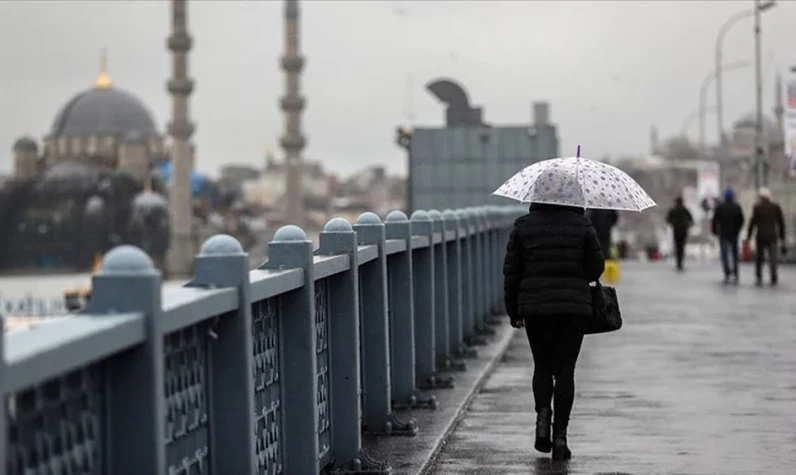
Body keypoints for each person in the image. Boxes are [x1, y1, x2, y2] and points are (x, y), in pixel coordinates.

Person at [503, 203, 605, 461]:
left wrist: (513, 311)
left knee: (542, 366)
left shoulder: (523, 226)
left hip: (536, 308)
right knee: (565, 370)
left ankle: (541, 422)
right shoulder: (582, 225)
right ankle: (560, 438)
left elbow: (512, 272)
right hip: (574, 308)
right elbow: (596, 268)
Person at [746, 187, 786, 286]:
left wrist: (749, 236)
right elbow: (781, 223)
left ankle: (759, 275)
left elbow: (753, 222)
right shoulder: (775, 207)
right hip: (772, 235)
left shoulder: (757, 207)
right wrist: (782, 237)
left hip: (761, 236)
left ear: (761, 197)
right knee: (773, 257)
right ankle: (773, 275)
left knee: (760, 257)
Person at [711, 187, 744, 284]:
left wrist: (715, 231)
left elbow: (715, 220)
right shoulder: (736, 207)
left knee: (724, 253)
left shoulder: (720, 207)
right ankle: (736, 271)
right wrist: (737, 229)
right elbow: (741, 219)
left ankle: (727, 272)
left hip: (723, 233)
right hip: (734, 233)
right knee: (734, 253)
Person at [665, 197, 694, 271]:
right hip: (683, 230)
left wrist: (673, 223)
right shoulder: (684, 210)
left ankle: (679, 262)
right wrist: (686, 224)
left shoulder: (673, 210)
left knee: (678, 246)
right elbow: (691, 220)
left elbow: (668, 220)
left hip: (676, 230)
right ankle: (680, 262)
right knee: (681, 246)